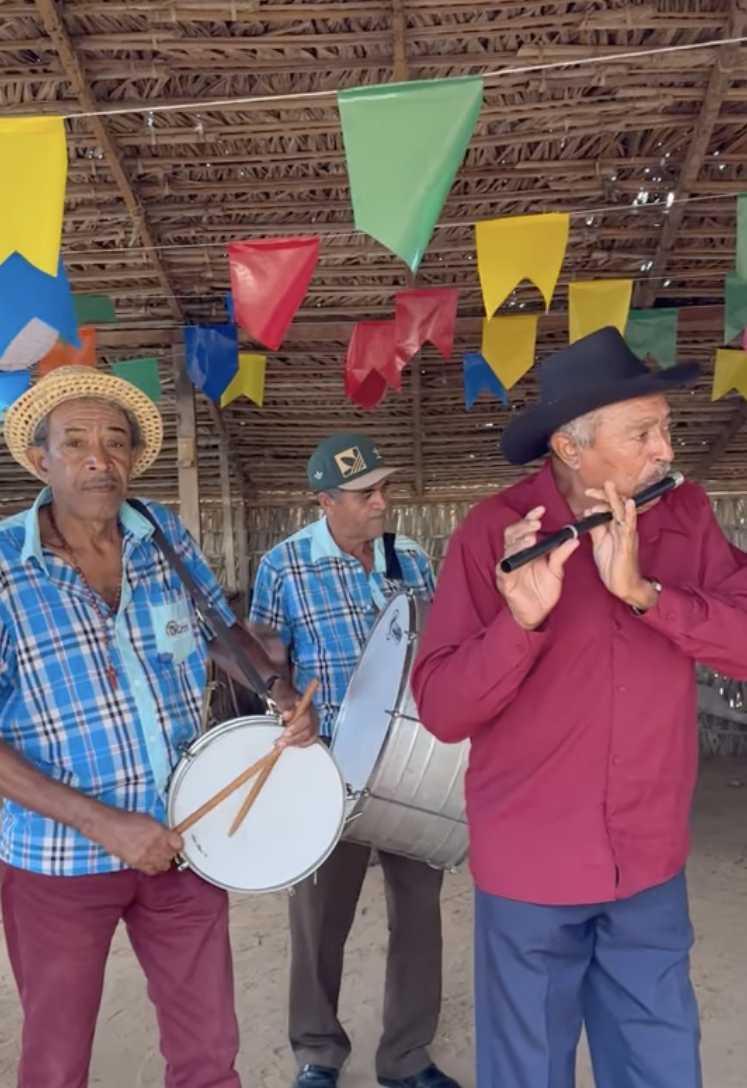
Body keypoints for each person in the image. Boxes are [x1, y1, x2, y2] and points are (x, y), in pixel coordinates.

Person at [410, 327, 747, 1088]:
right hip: (530, 874)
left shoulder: (684, 517)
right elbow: (443, 710)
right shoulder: (495, 535)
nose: (665, 449)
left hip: (647, 861)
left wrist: (647, 595)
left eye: (665, 427)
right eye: (643, 432)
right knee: (527, 1074)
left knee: (659, 1067)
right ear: (570, 447)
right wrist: (519, 621)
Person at [0, 365, 317, 1088]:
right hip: (60, 860)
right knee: (55, 1061)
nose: (97, 458)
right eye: (74, 441)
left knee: (208, 1052)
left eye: (115, 443)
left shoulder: (159, 533)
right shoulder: (5, 569)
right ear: (39, 460)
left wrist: (276, 690)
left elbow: (219, 626)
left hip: (185, 836)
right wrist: (106, 825)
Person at [249, 432, 462, 1088]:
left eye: (383, 488)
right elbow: (261, 656)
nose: (381, 501)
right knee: (319, 919)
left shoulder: (411, 560)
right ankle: (318, 1052)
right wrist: (285, 701)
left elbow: (437, 649)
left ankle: (406, 1057)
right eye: (365, 493)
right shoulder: (284, 567)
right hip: (328, 770)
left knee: (418, 913)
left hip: (411, 766)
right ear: (325, 501)